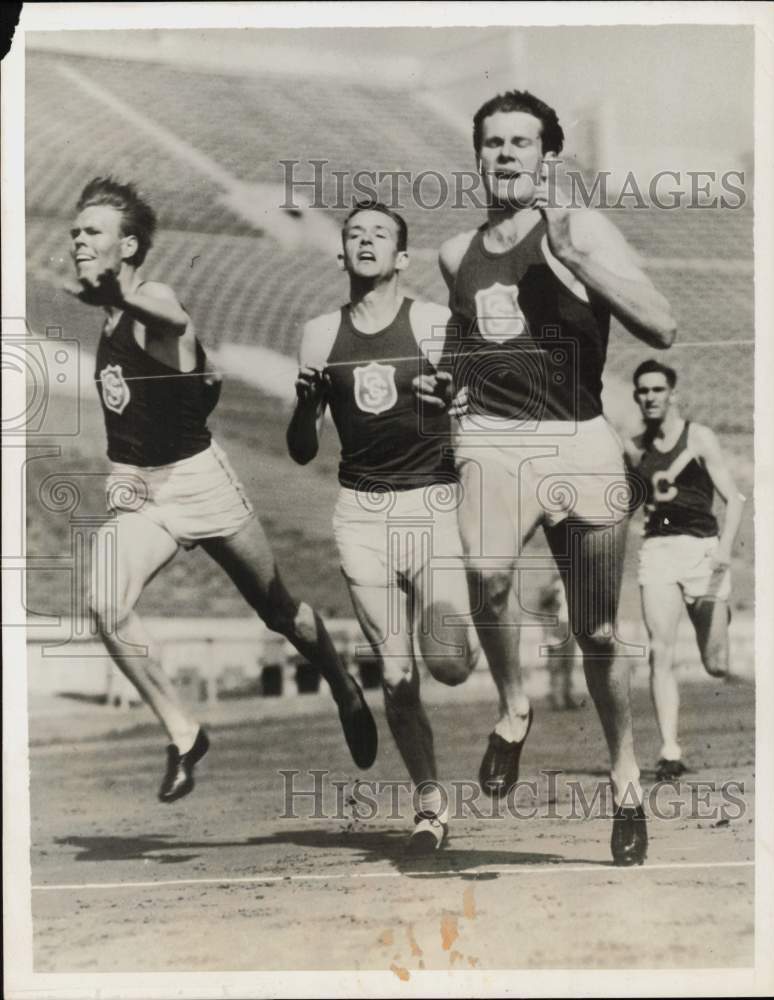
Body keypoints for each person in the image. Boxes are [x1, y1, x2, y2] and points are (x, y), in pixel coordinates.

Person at [426, 89, 677, 866]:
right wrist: (444, 381)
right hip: (494, 440)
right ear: (477, 156)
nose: (504, 154)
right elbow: (468, 347)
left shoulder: (580, 229)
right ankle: (511, 710)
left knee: (596, 631)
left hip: (579, 439)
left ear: (546, 158)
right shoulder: (451, 253)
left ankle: (626, 780)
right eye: (492, 142)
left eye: (520, 143)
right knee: (485, 574)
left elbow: (660, 323)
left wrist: (574, 261)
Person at [66, 176, 377, 803]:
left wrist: (123, 301)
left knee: (278, 611)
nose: (77, 239)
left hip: (200, 481)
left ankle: (343, 685)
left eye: (91, 231)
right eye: (74, 231)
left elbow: (174, 319)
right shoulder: (108, 319)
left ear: (127, 247)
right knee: (102, 602)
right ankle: (184, 735)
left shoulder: (151, 299)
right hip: (142, 490)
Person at [287, 201, 482, 853]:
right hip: (361, 514)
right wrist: (304, 407)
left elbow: (473, 423)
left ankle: (464, 633)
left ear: (402, 257)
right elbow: (300, 449)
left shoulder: (432, 324)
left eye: (379, 235)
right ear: (341, 254)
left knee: (449, 666)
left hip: (429, 505)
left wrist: (451, 409)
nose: (364, 242)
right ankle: (430, 803)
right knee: (397, 676)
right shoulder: (317, 334)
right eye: (353, 235)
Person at [625, 359, 746, 781]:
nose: (650, 397)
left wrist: (725, 550)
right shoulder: (636, 447)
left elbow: (735, 500)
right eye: (643, 390)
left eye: (657, 389)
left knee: (715, 663)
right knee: (661, 651)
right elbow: (626, 503)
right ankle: (669, 749)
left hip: (703, 552)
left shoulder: (699, 437)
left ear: (672, 393)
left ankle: (718, 613)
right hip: (657, 549)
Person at [538, 575, 580, 711]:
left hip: (569, 626)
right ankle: (557, 698)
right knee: (556, 665)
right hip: (556, 628)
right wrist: (548, 633)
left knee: (568, 664)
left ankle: (566, 696)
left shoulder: (574, 585)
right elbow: (542, 606)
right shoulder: (553, 586)